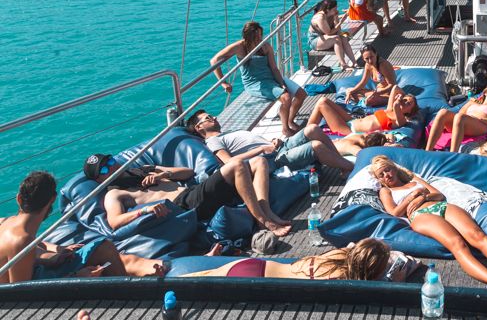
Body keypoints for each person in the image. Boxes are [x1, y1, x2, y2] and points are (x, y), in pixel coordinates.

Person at [370, 155, 487, 290]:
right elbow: (394, 212)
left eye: (387, 170)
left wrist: (423, 196)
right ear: (379, 180)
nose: (386, 175)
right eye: (381, 175)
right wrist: (413, 196)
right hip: (420, 216)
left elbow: (438, 194)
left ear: (394, 168)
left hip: (441, 205)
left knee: (477, 235)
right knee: (458, 244)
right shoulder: (386, 191)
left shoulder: (414, 179)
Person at [0, 171, 166, 283]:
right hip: (22, 296)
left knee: (104, 249)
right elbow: (23, 295)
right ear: (52, 200)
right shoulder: (22, 242)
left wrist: (58, 251)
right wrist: (76, 276)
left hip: (32, 271)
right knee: (105, 255)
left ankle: (131, 281)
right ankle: (127, 298)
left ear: (19, 199)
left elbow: (31, 248)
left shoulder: (5, 222)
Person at [84, 153, 293, 237]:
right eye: (104, 170)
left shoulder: (141, 169)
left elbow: (188, 172)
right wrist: (145, 210)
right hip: (185, 205)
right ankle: (263, 220)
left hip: (195, 191)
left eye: (110, 162)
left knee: (259, 162)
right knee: (237, 164)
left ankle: (265, 212)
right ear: (99, 181)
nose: (111, 168)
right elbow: (114, 222)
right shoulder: (114, 194)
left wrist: (163, 174)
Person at [211, 21, 307, 137]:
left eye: (260, 35)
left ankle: (289, 120)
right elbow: (214, 60)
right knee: (286, 98)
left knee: (301, 94)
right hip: (255, 83)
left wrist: (281, 83)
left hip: (271, 77)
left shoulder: (265, 46)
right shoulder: (239, 47)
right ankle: (285, 128)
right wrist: (223, 83)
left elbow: (274, 68)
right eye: (255, 37)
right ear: (247, 36)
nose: (259, 39)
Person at [187, 110, 353, 174]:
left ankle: (341, 161)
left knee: (312, 129)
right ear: (199, 127)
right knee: (316, 146)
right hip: (273, 160)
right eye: (208, 118)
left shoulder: (226, 134)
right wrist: (262, 149)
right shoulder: (213, 141)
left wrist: (271, 141)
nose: (214, 117)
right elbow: (230, 162)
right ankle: (350, 167)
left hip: (277, 148)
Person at [184, 237, 391, 280]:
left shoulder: (337, 255)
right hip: (257, 280)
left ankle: (156, 280)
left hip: (254, 264)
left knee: (192, 278)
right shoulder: (343, 279)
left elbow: (353, 247)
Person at [424, 84, 487, 153]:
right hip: (463, 121)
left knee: (461, 117)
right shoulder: (472, 102)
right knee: (443, 112)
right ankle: (428, 151)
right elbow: (461, 112)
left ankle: (453, 154)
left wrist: (478, 119)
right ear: (486, 92)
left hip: (481, 126)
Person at [308, 85, 418, 136]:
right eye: (405, 100)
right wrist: (402, 96)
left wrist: (399, 101)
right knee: (324, 100)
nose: (405, 101)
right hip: (351, 120)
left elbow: (397, 106)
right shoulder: (389, 109)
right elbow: (395, 88)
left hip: (349, 131)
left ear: (409, 111)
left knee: (322, 103)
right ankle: (307, 132)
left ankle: (305, 134)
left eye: (409, 103)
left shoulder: (401, 121)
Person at [307, 0, 355, 70]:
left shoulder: (331, 14)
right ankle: (344, 65)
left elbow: (338, 30)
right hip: (315, 40)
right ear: (327, 10)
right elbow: (329, 33)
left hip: (326, 38)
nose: (336, 10)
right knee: (336, 39)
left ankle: (354, 62)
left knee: (343, 38)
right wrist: (341, 21)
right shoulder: (320, 17)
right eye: (334, 9)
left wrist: (336, 17)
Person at [334, 131, 398, 156]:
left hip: (334, 142)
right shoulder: (352, 147)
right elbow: (364, 156)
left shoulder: (364, 136)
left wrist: (391, 140)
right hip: (329, 150)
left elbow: (389, 135)